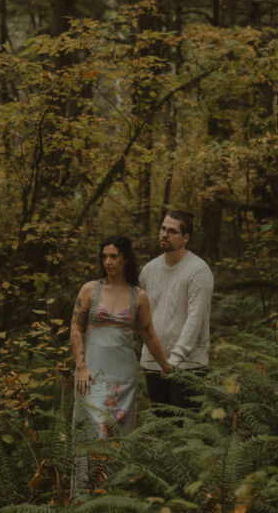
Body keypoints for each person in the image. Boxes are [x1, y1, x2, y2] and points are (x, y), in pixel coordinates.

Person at [70, 234, 172, 493]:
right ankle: (85, 494)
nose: (108, 261)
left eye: (113, 256)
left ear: (125, 259)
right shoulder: (90, 289)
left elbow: (148, 334)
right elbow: (75, 327)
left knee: (117, 434)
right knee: (94, 430)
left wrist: (166, 366)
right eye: (104, 256)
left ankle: (114, 496)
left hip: (124, 376)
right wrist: (81, 366)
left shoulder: (138, 296)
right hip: (91, 372)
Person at [139, 210, 214, 410]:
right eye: (163, 229)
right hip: (153, 362)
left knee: (184, 434)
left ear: (186, 237)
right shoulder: (148, 270)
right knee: (163, 429)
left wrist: (174, 361)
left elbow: (195, 320)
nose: (164, 234)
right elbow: (142, 315)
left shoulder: (199, 271)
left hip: (188, 365)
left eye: (172, 231)